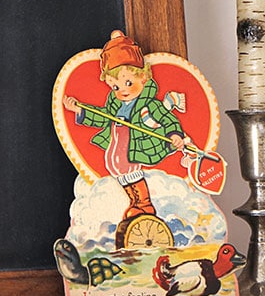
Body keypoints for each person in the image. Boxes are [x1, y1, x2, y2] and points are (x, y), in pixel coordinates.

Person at [63, 30, 185, 223]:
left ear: (143, 78)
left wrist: (175, 134)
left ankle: (145, 204)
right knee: (117, 167)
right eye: (116, 87)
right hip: (119, 142)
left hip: (137, 143)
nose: (123, 90)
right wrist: (80, 111)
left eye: (128, 82)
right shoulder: (115, 103)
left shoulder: (149, 104)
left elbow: (167, 119)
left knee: (130, 169)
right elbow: (103, 118)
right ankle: (134, 202)